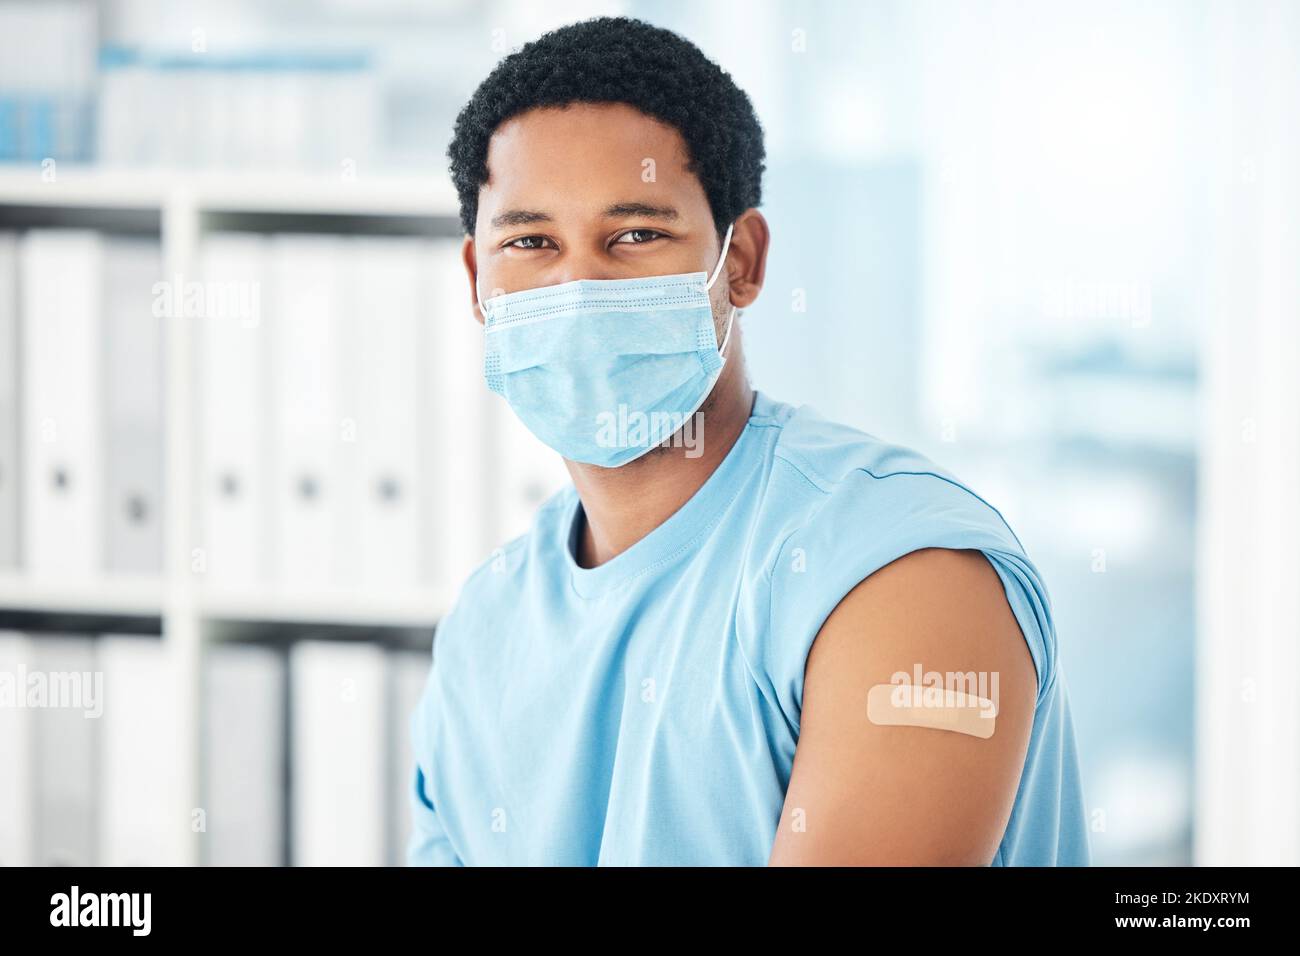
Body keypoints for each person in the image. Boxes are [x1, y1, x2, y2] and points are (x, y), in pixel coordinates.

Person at [408, 15, 1090, 866]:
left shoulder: (899, 574)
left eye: (636, 235)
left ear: (742, 262)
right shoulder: (485, 628)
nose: (577, 285)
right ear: (479, 281)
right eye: (531, 242)